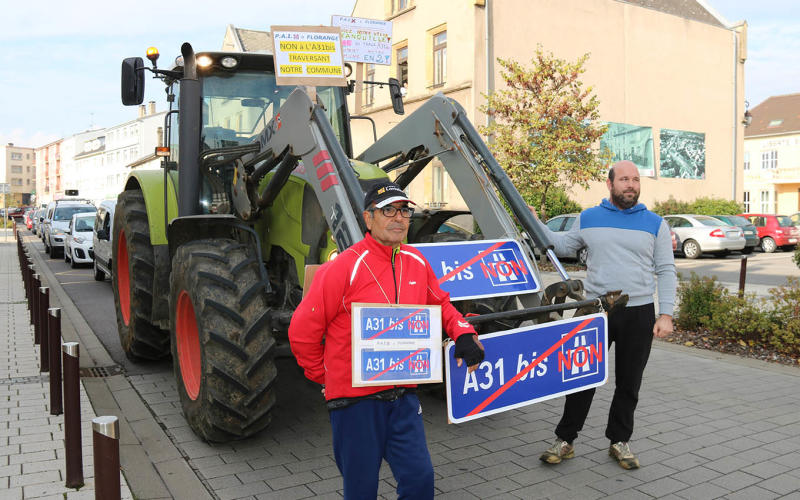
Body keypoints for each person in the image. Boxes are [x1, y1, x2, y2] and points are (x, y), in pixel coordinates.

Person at [288, 180, 485, 499]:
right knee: (362, 489)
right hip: (355, 404)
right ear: (369, 218)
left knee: (420, 481)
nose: (398, 218)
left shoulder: (417, 262)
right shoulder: (344, 267)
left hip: (403, 398)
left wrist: (463, 333)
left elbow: (442, 305)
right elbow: (301, 331)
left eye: (405, 211)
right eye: (388, 210)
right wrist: (326, 377)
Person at [533, 160, 676, 470]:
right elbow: (560, 244)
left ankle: (619, 441)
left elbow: (666, 270)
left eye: (636, 180)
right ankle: (565, 439)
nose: (631, 185)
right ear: (610, 184)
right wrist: (536, 223)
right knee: (581, 377)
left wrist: (666, 313)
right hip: (595, 309)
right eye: (624, 179)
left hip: (638, 311)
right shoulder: (589, 217)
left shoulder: (655, 223)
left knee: (629, 381)